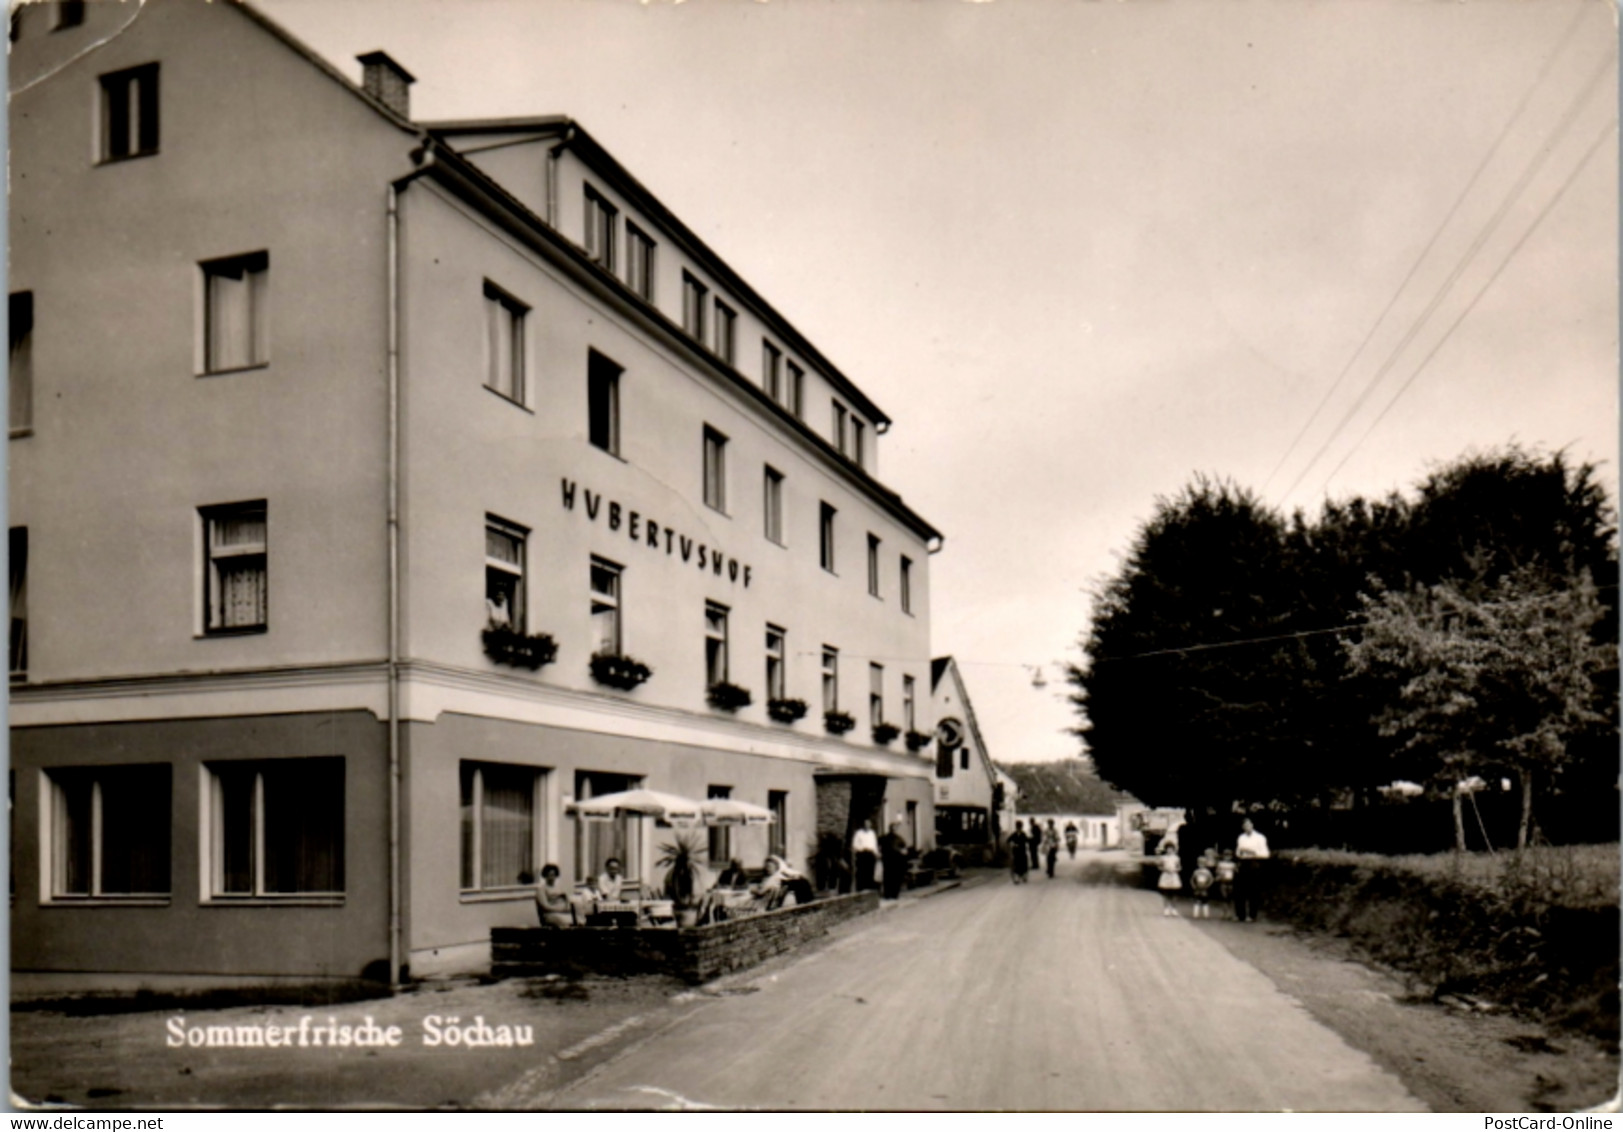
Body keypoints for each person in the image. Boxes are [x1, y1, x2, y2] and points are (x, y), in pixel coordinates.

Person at [1233, 818, 1270, 922]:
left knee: (1253, 890)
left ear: (1252, 825)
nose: (1247, 827)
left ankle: (1252, 915)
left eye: (1249, 825)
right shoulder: (1241, 838)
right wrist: (1240, 854)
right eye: (1245, 825)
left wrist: (1253, 852)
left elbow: (1265, 854)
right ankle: (1240, 914)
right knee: (1239, 890)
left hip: (1254, 863)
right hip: (1243, 863)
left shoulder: (1260, 838)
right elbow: (1238, 852)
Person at [530, 864, 576, 928]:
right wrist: (560, 909)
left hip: (563, 912)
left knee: (577, 918)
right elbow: (545, 907)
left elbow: (567, 899)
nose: (552, 877)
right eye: (550, 875)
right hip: (550, 914)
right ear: (545, 876)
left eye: (554, 875)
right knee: (563, 921)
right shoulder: (541, 890)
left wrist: (567, 907)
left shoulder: (559, 888)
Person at [879, 821, 909, 901]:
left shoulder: (899, 838)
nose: (894, 830)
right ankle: (888, 894)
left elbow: (905, 849)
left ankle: (894, 894)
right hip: (888, 860)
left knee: (895, 877)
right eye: (892, 828)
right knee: (888, 877)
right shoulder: (884, 838)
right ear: (890, 829)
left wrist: (903, 852)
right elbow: (879, 846)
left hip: (897, 861)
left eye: (895, 828)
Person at [851, 819, 880, 892]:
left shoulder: (872, 833)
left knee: (870, 871)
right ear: (863, 825)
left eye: (868, 824)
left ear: (870, 825)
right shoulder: (859, 833)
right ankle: (861, 888)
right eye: (865, 824)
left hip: (870, 854)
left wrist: (877, 853)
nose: (867, 825)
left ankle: (869, 888)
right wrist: (861, 849)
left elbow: (874, 845)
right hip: (862, 854)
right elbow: (855, 845)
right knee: (861, 871)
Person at [1156, 841, 1183, 916]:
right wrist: (1165, 869)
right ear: (1166, 849)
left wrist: (1175, 870)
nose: (1169, 850)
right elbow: (1159, 866)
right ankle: (1166, 909)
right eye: (1168, 849)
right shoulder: (1163, 858)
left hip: (1174, 875)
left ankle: (1173, 908)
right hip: (1166, 875)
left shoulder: (1176, 858)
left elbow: (1179, 867)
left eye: (1171, 849)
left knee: (1174, 893)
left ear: (1173, 850)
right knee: (1166, 893)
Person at [1189, 851, 1215, 919]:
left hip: (1205, 887)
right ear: (1198, 864)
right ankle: (1195, 914)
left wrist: (1208, 885)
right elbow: (1192, 879)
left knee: (1205, 900)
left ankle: (1206, 914)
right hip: (1197, 887)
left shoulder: (1207, 872)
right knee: (1196, 900)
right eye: (1200, 864)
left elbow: (1211, 879)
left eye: (1203, 864)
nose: (1201, 865)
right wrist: (1193, 885)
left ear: (1206, 864)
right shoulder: (1196, 871)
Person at [1214, 849, 1237, 919]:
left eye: (1229, 855)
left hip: (1231, 881)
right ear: (1223, 856)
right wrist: (1220, 874)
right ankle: (1224, 913)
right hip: (1223, 881)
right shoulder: (1220, 863)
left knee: (1230, 898)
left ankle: (1230, 913)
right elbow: (1217, 871)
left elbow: (1236, 872)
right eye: (1226, 855)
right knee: (1224, 897)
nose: (1227, 857)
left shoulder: (1233, 864)